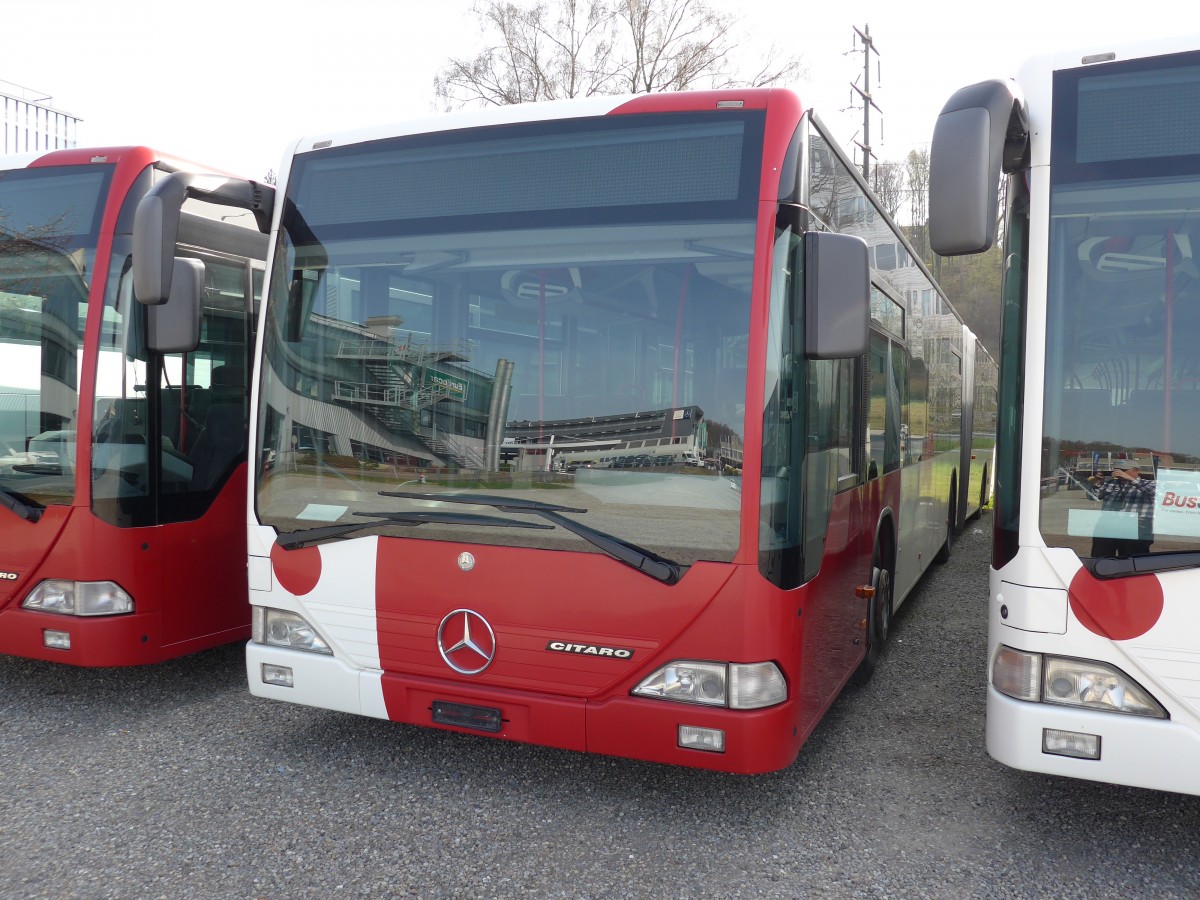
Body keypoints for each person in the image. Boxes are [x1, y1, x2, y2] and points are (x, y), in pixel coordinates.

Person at [1090, 460, 1155, 558]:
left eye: (1123, 470)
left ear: (1137, 471)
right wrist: (1097, 482)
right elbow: (1093, 497)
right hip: (1108, 524)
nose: (1119, 472)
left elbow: (1156, 493)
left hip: (1137, 525)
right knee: (1101, 557)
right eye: (1116, 469)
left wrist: (1131, 479)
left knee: (1133, 558)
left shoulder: (1148, 483)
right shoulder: (1110, 483)